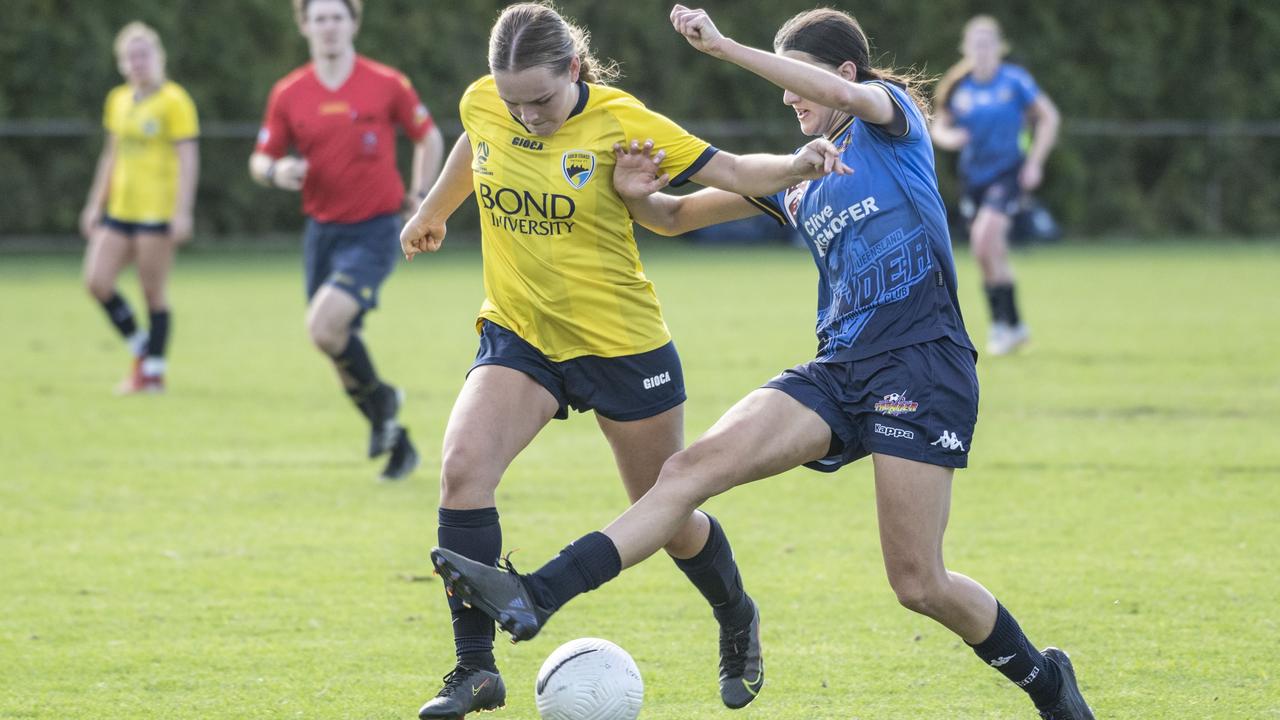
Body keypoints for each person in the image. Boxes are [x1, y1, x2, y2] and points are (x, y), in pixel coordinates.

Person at [430, 6, 1094, 720]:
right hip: (838, 371)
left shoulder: (890, 125)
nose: (787, 96)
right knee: (686, 473)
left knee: (919, 583)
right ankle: (536, 592)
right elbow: (677, 219)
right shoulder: (801, 176)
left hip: (920, 368)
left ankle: (1045, 681)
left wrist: (722, 47)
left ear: (842, 73)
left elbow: (845, 99)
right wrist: (635, 196)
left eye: (798, 79)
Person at [399, 3, 849, 717]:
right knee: (462, 471)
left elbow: (729, 169)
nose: (527, 116)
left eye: (541, 100)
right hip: (521, 335)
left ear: (574, 70)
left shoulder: (620, 121)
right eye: (513, 100)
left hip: (622, 345)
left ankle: (735, 615)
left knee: (665, 514)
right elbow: (472, 143)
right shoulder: (489, 103)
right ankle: (474, 670)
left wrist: (796, 164)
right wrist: (434, 210)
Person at [249, 0, 444, 480]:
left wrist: (420, 199)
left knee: (323, 327)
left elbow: (430, 137)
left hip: (376, 227)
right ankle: (395, 436)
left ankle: (383, 404)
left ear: (353, 23)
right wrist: (277, 170)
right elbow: (260, 158)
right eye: (319, 18)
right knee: (337, 342)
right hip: (322, 232)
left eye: (337, 17)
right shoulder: (288, 92)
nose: (329, 27)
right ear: (304, 26)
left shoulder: (386, 83)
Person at [930, 15, 1060, 356]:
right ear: (966, 48)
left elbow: (1048, 117)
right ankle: (1011, 325)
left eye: (988, 43)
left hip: (1007, 175)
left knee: (984, 241)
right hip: (974, 179)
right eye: (976, 43)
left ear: (999, 48)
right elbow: (938, 127)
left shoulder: (1014, 82)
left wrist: (1034, 163)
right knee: (989, 254)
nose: (983, 50)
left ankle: (1003, 327)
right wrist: (950, 137)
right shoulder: (960, 87)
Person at [80, 21, 199, 394]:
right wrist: (94, 203)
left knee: (153, 294)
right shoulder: (117, 100)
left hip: (156, 212)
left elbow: (188, 159)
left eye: (144, 54)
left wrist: (182, 211)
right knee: (97, 282)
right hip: (120, 210)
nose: (138, 63)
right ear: (121, 63)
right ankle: (141, 348)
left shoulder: (175, 101)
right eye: (130, 57)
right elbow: (110, 155)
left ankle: (154, 374)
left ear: (159, 57)